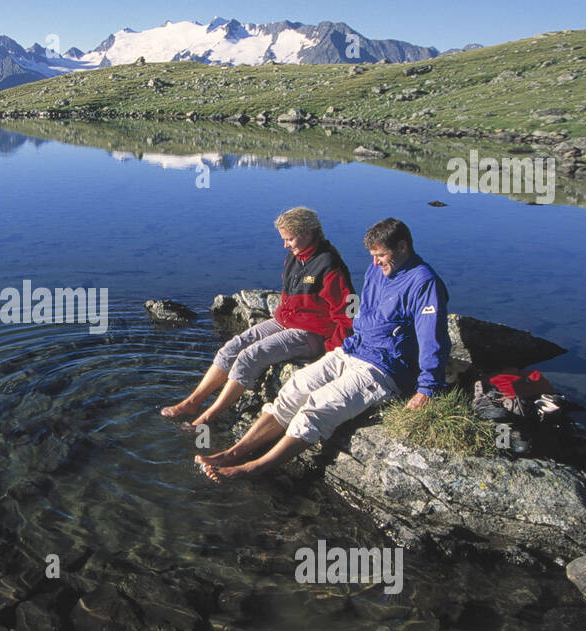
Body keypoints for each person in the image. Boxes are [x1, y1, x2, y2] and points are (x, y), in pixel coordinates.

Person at [197, 217, 449, 482]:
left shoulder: (425, 283)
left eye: (381, 255)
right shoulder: (377, 271)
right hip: (352, 350)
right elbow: (360, 313)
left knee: (317, 409)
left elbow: (433, 338)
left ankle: (255, 467)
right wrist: (341, 344)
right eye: (372, 256)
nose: (375, 262)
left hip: (383, 369)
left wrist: (427, 390)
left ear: (402, 247)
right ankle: (234, 453)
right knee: (293, 388)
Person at [161, 207, 354, 428]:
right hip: (284, 321)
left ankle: (208, 416)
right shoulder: (295, 257)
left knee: (250, 356)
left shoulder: (329, 264)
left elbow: (347, 312)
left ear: (308, 233)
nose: (285, 244)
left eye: (289, 239)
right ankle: (192, 402)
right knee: (232, 347)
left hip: (310, 333)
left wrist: (333, 351)